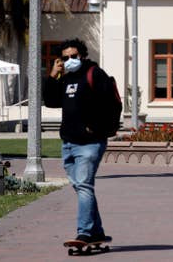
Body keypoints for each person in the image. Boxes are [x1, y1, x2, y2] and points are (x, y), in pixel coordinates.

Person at [43, 38, 112, 243]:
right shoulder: (66, 78)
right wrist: (52, 76)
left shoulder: (94, 74)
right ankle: (97, 231)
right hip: (69, 143)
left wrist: (96, 127)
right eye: (65, 58)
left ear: (82, 55)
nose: (70, 60)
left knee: (83, 186)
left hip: (90, 143)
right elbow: (51, 101)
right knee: (82, 187)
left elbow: (108, 103)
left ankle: (84, 232)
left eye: (74, 56)